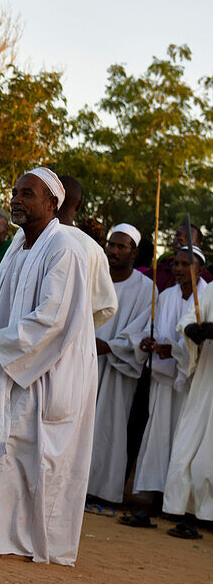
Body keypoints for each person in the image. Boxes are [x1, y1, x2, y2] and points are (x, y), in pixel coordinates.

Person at [0, 167, 96, 566]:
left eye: (28, 194)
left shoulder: (65, 248)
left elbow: (51, 320)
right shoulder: (17, 245)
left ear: (52, 203)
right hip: (7, 360)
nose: (17, 200)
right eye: (15, 193)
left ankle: (15, 540)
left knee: (20, 453)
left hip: (44, 370)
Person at [123, 247, 205, 526]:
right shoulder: (165, 296)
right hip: (162, 380)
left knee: (184, 442)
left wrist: (178, 351)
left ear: (199, 269)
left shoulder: (204, 296)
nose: (179, 268)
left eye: (185, 264)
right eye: (175, 263)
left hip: (192, 383)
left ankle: (184, 505)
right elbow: (149, 330)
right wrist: (147, 342)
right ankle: (157, 499)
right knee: (159, 439)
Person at [86, 224, 153, 508]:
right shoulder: (93, 276)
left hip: (116, 369)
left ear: (134, 252)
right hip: (83, 362)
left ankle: (103, 494)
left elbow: (140, 333)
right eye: (111, 244)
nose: (113, 250)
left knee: (108, 428)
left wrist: (109, 346)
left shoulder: (146, 289)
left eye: (121, 246)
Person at [167, 278, 213, 539]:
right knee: (189, 445)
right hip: (206, 378)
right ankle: (185, 510)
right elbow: (187, 320)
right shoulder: (212, 290)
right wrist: (193, 330)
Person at [57, 175, 118, 329]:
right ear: (79, 205)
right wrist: (78, 329)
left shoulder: (27, 237)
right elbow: (107, 306)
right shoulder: (93, 248)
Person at [154, 224, 212, 291]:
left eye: (187, 236)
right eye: (177, 235)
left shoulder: (205, 278)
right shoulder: (158, 270)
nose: (180, 238)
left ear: (197, 245)